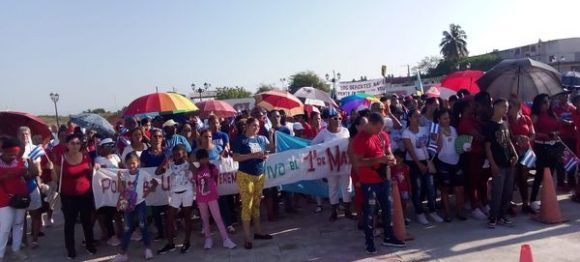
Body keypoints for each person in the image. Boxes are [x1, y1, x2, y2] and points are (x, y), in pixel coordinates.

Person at [352, 112, 405, 253]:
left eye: (382, 128)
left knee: (388, 209)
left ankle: (389, 236)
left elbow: (388, 152)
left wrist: (391, 158)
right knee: (370, 212)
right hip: (369, 181)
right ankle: (369, 241)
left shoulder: (383, 135)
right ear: (371, 124)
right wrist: (378, 160)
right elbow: (358, 162)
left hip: (384, 178)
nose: (380, 131)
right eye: (378, 128)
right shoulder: (359, 139)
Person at [232, 117, 273, 250]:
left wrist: (265, 155)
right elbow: (235, 157)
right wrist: (252, 155)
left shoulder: (261, 138)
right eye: (254, 125)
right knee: (247, 206)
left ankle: (258, 232)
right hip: (245, 175)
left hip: (259, 174)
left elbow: (271, 148)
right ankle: (247, 238)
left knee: (256, 204)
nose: (256, 128)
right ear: (247, 126)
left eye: (258, 126)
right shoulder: (240, 139)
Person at [53, 133, 96, 259]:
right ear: (67, 144)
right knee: (69, 223)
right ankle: (70, 249)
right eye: (72, 143)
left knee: (87, 221)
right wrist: (51, 169)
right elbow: (55, 178)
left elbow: (91, 172)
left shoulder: (85, 156)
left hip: (85, 194)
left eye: (78, 143)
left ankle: (90, 245)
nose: (75, 146)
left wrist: (97, 168)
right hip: (68, 196)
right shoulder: (61, 158)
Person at [111, 153, 159, 262]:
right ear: (126, 165)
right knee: (127, 228)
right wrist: (119, 178)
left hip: (140, 203)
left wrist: (147, 191)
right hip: (128, 205)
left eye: (133, 163)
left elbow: (155, 182)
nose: (131, 166)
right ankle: (122, 253)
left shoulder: (143, 173)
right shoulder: (125, 174)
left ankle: (147, 249)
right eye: (128, 164)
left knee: (143, 225)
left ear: (138, 163)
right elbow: (121, 190)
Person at [402, 110, 443, 225]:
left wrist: (437, 138)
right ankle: (419, 212)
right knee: (417, 188)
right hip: (414, 163)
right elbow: (410, 150)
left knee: (430, 186)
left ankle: (432, 210)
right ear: (409, 118)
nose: (418, 118)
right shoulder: (406, 133)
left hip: (426, 160)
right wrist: (419, 164)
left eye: (419, 116)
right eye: (415, 116)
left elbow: (433, 141)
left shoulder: (424, 129)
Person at [312, 107, 352, 221]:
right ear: (329, 120)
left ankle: (347, 211)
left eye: (340, 118)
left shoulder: (345, 131)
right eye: (335, 118)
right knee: (333, 188)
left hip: (344, 164)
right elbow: (313, 145)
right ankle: (334, 212)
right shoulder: (323, 133)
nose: (338, 120)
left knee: (346, 188)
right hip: (331, 166)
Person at [192, 149, 237, 250]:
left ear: (208, 158)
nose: (203, 161)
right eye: (201, 159)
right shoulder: (196, 171)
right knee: (205, 219)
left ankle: (226, 239)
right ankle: (208, 239)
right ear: (198, 160)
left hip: (212, 197)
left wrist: (213, 189)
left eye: (205, 158)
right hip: (201, 199)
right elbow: (195, 182)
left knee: (218, 218)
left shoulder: (212, 168)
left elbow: (216, 178)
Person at [484, 99, 518, 228]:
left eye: (507, 107)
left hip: (508, 162)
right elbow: (487, 147)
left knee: (507, 191)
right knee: (497, 192)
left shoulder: (504, 123)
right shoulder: (489, 125)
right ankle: (493, 217)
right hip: (498, 163)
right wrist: (493, 164)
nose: (506, 109)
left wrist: (514, 153)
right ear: (496, 108)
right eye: (504, 107)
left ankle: (502, 215)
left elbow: (508, 141)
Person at [0, 137, 35, 260]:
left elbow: (28, 176)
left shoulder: (19, 161)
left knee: (19, 224)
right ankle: (0, 254)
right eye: (9, 154)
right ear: (2, 151)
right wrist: (6, 176)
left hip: (20, 196)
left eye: (15, 154)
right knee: (5, 227)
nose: (12, 157)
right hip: (3, 199)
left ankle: (16, 249)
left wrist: (27, 172)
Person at [157, 144, 195, 254]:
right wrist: (165, 160)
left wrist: (189, 161)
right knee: (169, 218)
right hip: (175, 193)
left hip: (187, 192)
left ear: (184, 153)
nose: (176, 156)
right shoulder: (171, 165)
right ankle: (170, 244)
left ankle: (187, 242)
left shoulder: (188, 165)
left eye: (179, 153)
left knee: (188, 217)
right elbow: (158, 172)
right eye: (174, 154)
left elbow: (196, 172)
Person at [530, 94, 563, 204]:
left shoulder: (552, 113)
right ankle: (533, 200)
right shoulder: (535, 116)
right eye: (544, 102)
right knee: (539, 174)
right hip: (542, 146)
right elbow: (533, 133)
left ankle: (547, 199)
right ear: (538, 103)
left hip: (554, 146)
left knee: (550, 174)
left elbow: (560, 129)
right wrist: (545, 135)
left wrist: (555, 133)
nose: (547, 104)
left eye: (548, 101)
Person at [434, 109, 465, 222]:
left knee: (459, 188)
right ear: (439, 120)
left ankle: (459, 211)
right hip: (443, 163)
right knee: (445, 189)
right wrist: (439, 135)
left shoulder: (454, 129)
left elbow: (458, 145)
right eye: (444, 118)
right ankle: (447, 213)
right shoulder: (436, 132)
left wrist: (465, 147)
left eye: (448, 118)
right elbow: (435, 149)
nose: (447, 120)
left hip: (456, 162)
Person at [16, 127, 43, 249]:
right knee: (20, 217)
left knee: (35, 214)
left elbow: (38, 172)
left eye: (27, 133)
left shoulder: (34, 149)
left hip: (32, 186)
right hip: (17, 189)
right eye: (22, 134)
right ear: (17, 136)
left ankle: (35, 239)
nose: (24, 136)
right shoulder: (12, 150)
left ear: (30, 135)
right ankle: (23, 240)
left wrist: (30, 164)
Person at [94, 138, 123, 247]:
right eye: (107, 146)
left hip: (117, 190)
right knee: (108, 213)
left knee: (118, 212)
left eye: (111, 146)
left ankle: (121, 231)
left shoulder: (116, 157)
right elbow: (99, 171)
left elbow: (122, 168)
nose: (109, 148)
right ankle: (111, 235)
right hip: (106, 192)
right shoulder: (98, 159)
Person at [507, 98, 535, 213]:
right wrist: (516, 138)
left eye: (511, 107)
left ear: (518, 107)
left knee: (524, 178)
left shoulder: (526, 119)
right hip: (513, 151)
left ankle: (525, 203)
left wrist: (527, 138)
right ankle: (508, 204)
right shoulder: (506, 120)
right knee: (512, 178)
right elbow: (508, 136)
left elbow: (533, 134)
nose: (508, 109)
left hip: (526, 151)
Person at [139, 129, 167, 241]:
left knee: (167, 209)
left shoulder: (167, 152)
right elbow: (142, 169)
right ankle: (160, 232)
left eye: (160, 136)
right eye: (155, 136)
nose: (157, 139)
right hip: (152, 186)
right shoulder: (145, 154)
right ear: (150, 138)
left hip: (166, 185)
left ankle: (170, 230)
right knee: (155, 211)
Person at [552, 91, 577, 191]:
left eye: (567, 95)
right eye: (563, 95)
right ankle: (561, 183)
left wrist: (566, 122)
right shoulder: (555, 110)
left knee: (572, 160)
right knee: (560, 162)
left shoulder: (573, 108)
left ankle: (571, 182)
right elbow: (554, 123)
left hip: (572, 138)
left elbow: (575, 121)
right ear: (559, 97)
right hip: (561, 138)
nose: (565, 97)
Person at [391, 150, 411, 225]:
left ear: (403, 159)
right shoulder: (392, 168)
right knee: (396, 205)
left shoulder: (406, 167)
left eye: (399, 158)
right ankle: (397, 219)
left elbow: (408, 179)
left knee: (404, 205)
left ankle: (404, 218)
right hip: (395, 191)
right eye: (395, 158)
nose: (397, 160)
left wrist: (410, 190)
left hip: (404, 189)